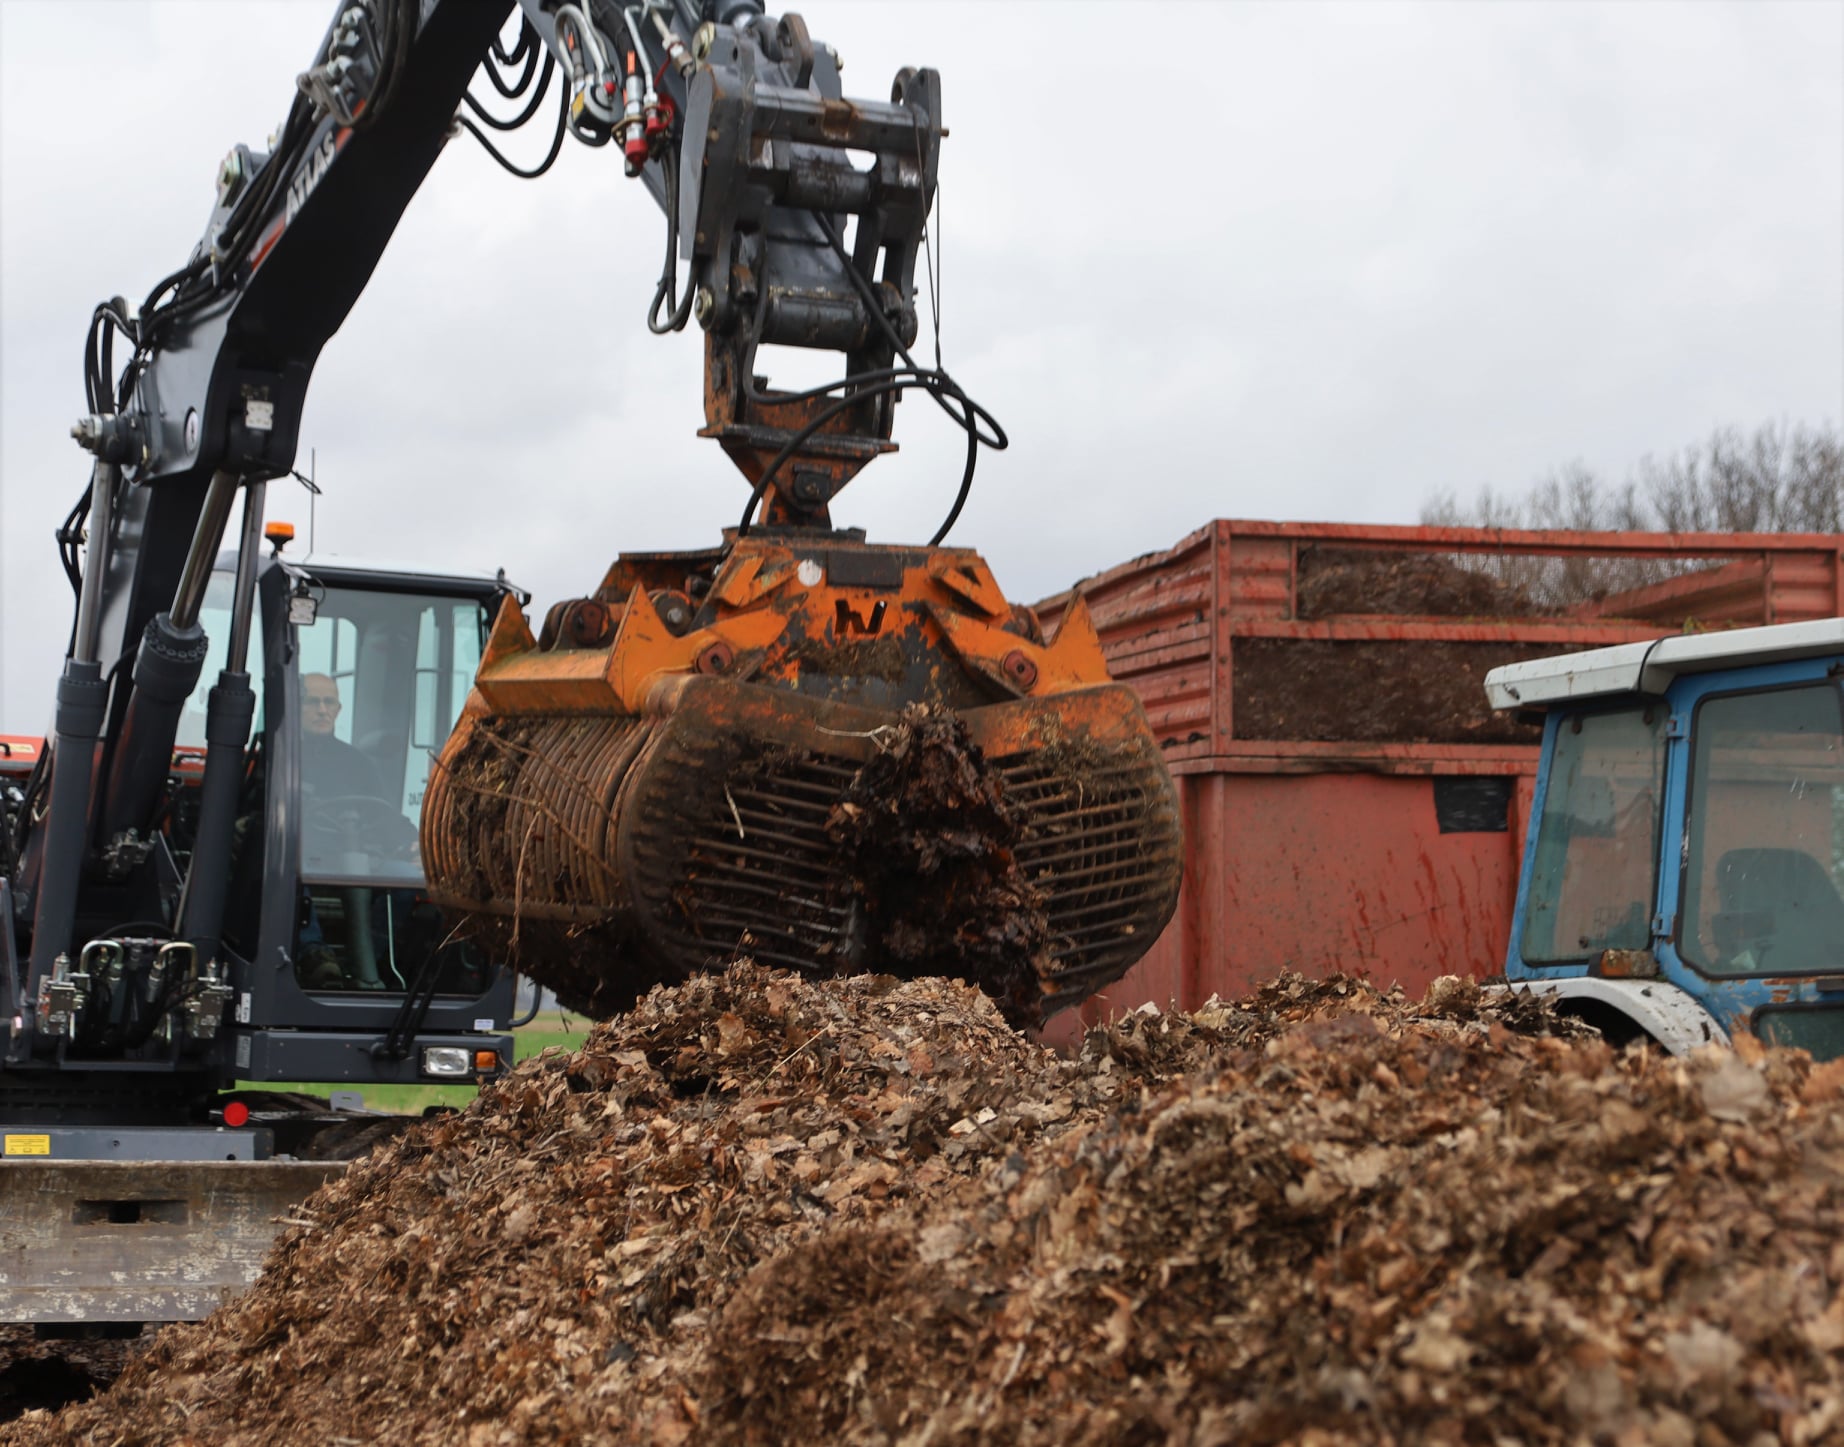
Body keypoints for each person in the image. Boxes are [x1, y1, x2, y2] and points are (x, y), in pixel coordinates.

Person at [299, 672, 384, 802]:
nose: (322, 710)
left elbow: (387, 817)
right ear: (295, 707)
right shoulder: (275, 761)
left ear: (338, 710)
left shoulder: (360, 765)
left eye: (329, 702)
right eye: (312, 702)